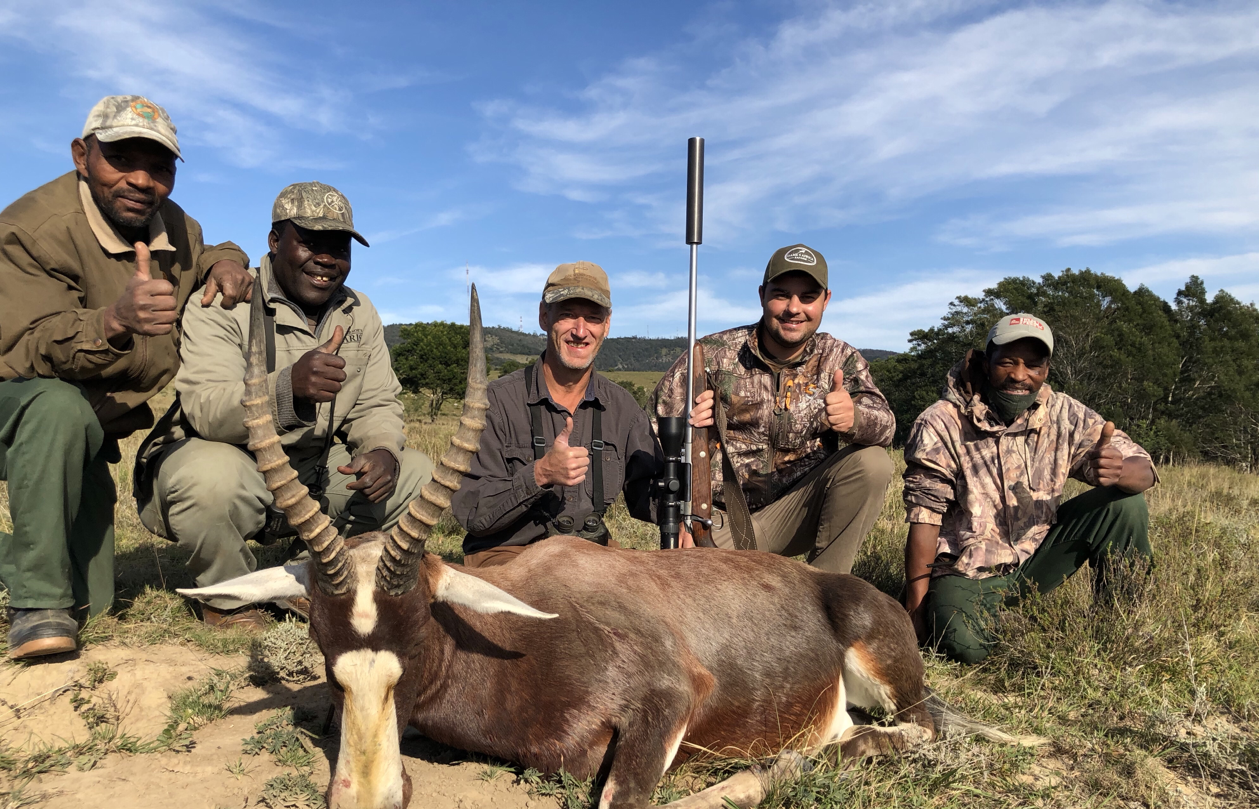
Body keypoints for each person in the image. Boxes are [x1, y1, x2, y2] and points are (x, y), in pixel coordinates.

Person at [0, 95, 252, 659]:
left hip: (82, 432)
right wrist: (113, 322)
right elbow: (23, 348)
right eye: (121, 158)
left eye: (159, 167)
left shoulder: (172, 223)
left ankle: (51, 579)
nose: (141, 179)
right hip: (2, 406)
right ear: (83, 155)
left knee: (94, 597)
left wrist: (228, 261)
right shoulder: (28, 230)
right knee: (55, 405)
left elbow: (207, 249)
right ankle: (37, 606)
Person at [136, 182, 432, 628]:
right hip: (239, 464)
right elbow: (205, 408)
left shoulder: (360, 311)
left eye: (340, 246)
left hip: (314, 469)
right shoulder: (223, 302)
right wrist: (287, 388)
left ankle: (322, 573)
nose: (328, 258)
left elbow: (377, 402)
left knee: (417, 476)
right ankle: (231, 599)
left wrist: (383, 449)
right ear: (275, 242)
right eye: (310, 242)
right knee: (207, 479)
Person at [903, 314, 1156, 664]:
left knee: (1125, 504)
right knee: (961, 645)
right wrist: (913, 612)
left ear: (1047, 369)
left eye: (1033, 364)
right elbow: (924, 517)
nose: (1020, 375)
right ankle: (1015, 628)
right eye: (1007, 361)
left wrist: (1117, 470)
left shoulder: (1065, 413)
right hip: (968, 570)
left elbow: (1145, 470)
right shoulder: (941, 421)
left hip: (1037, 558)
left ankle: (1120, 626)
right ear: (986, 361)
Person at [651, 243, 895, 573]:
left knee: (873, 464)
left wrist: (855, 419)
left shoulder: (840, 359)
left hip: (798, 513)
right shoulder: (710, 356)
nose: (794, 308)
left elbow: (887, 425)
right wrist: (681, 514)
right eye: (781, 294)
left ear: (826, 300)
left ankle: (825, 595)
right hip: (720, 521)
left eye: (808, 297)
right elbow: (651, 433)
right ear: (762, 294)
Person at [452, 261, 681, 567]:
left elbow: (649, 499)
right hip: (510, 557)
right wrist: (539, 475)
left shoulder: (623, 408)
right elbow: (472, 511)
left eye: (593, 318)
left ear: (607, 325)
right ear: (544, 317)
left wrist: (693, 451)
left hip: (589, 556)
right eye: (568, 315)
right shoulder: (495, 402)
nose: (580, 331)